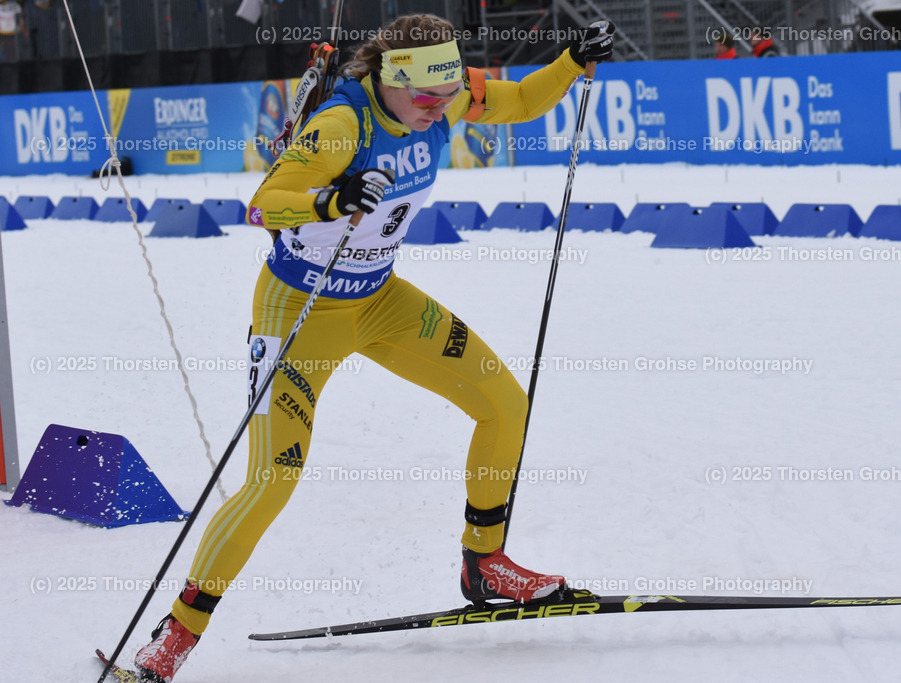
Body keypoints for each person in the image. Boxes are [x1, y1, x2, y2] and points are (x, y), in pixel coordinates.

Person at [130, 13, 615, 683]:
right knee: (274, 478)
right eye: (425, 98)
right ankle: (178, 632)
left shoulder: (442, 95)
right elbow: (265, 204)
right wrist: (332, 199)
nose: (438, 110)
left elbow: (522, 102)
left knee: (506, 404)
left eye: (448, 98)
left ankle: (486, 559)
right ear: (389, 78)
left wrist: (570, 60)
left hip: (380, 300)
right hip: (298, 310)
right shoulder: (342, 125)